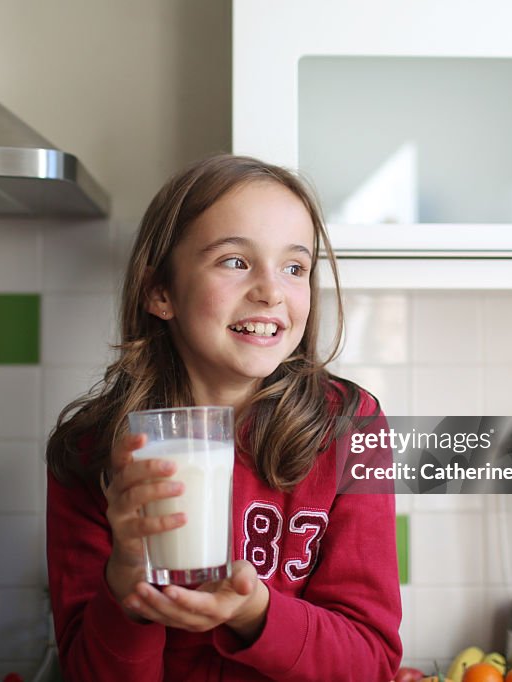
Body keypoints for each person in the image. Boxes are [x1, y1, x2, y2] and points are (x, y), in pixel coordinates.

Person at [45, 154, 402, 681]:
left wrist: (255, 613)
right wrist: (126, 588)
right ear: (160, 291)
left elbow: (371, 663)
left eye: (294, 267)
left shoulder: (350, 428)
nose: (271, 291)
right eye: (235, 261)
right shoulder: (92, 450)